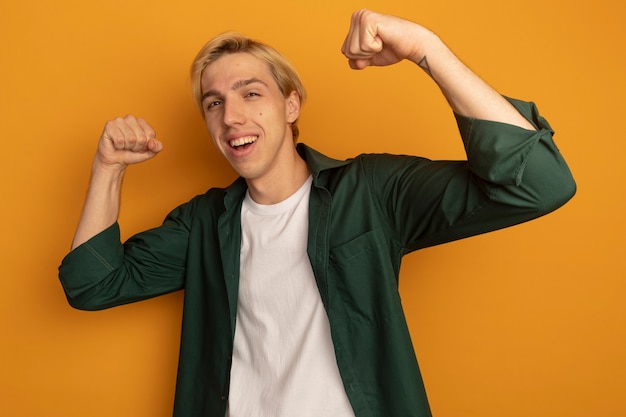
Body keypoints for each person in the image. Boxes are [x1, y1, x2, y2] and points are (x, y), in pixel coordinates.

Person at [58, 9, 576, 417]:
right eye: (213, 103)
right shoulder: (204, 222)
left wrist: (425, 48)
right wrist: (108, 167)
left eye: (251, 93)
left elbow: (538, 184)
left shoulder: (369, 192)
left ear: (291, 105)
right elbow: (92, 284)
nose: (231, 116)